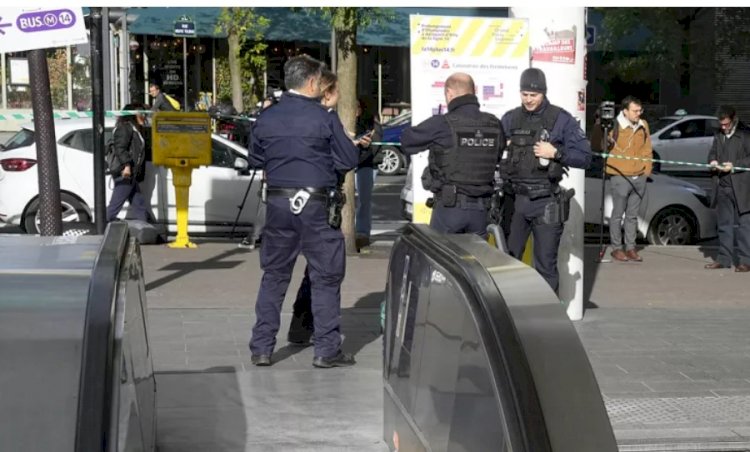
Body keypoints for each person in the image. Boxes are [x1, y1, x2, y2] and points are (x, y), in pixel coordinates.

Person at [248, 56, 360, 368]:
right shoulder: (324, 118)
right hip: (317, 205)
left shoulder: (266, 117)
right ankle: (326, 349)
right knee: (325, 276)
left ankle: (261, 347)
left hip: (279, 204)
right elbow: (348, 158)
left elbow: (256, 157)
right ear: (312, 83)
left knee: (274, 274)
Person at [285, 69, 373, 346]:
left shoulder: (300, 117)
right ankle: (319, 337)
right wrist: (350, 147)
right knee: (324, 270)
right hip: (321, 202)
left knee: (313, 269)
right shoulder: (324, 118)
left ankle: (301, 326)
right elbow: (341, 160)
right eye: (337, 92)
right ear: (327, 93)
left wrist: (350, 143)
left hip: (297, 201)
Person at [499, 67, 591, 293]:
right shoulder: (510, 119)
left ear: (544, 93)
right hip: (515, 200)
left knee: (545, 266)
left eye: (534, 95)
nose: (529, 100)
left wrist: (556, 153)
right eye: (525, 94)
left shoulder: (561, 119)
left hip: (545, 201)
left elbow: (586, 158)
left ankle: (547, 320)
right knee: (507, 263)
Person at [400, 72, 504, 236]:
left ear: (449, 93)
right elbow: (497, 156)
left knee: (443, 259)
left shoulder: (443, 123)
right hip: (481, 211)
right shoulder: (494, 124)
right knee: (476, 260)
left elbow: (407, 141)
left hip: (449, 209)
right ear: (474, 91)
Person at [605, 96, 653, 262]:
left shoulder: (643, 125)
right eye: (635, 111)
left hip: (639, 177)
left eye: (640, 111)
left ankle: (630, 247)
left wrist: (646, 172)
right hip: (620, 175)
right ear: (625, 111)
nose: (638, 114)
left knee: (632, 216)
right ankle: (617, 248)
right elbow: (601, 145)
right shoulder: (614, 125)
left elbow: (647, 149)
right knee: (618, 214)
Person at [705, 105, 750, 272]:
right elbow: (712, 153)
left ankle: (746, 260)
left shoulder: (745, 135)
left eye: (726, 124)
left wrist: (735, 166)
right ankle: (724, 258)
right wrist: (712, 162)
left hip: (742, 188)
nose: (723, 127)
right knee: (724, 225)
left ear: (734, 119)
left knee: (745, 226)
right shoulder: (718, 136)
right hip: (723, 186)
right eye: (721, 124)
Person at [106, 104, 149, 222]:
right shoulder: (125, 128)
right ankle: (102, 227)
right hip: (124, 173)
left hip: (131, 174)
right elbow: (120, 148)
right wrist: (127, 166)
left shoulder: (135, 129)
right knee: (115, 205)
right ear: (132, 115)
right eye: (141, 113)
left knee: (138, 203)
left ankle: (146, 228)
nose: (144, 116)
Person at [354, 98, 381, 248]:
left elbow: (374, 147)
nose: (355, 110)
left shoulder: (373, 125)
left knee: (364, 201)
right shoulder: (347, 123)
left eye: (357, 106)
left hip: (366, 165)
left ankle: (363, 232)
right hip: (353, 164)